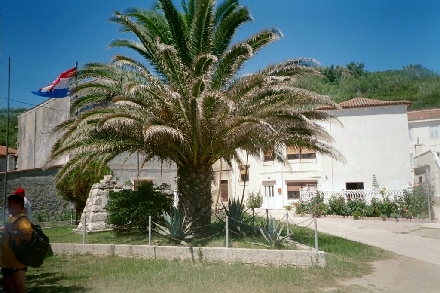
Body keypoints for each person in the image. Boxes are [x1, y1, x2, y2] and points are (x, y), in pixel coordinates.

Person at [0, 194, 32, 293]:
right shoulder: (14, 218)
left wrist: (13, 231)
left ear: (18, 206)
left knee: (19, 288)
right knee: (7, 288)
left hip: (17, 262)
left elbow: (28, 236)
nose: (8, 207)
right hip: (8, 261)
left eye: (10, 205)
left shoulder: (22, 220)